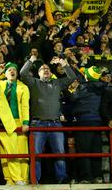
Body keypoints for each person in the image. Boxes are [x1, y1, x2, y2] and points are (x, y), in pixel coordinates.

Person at [20, 55, 77, 183]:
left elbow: (72, 78)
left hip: (55, 123)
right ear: (38, 73)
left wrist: (63, 63)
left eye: (47, 69)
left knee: (59, 153)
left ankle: (62, 179)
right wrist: (31, 60)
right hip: (37, 124)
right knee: (36, 154)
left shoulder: (57, 83)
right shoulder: (34, 82)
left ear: (51, 73)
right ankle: (35, 180)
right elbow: (23, 73)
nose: (45, 70)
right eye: (42, 69)